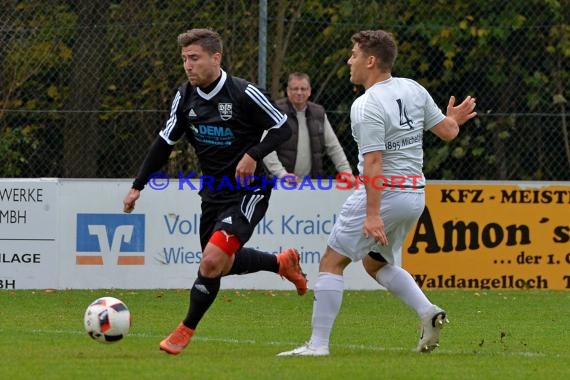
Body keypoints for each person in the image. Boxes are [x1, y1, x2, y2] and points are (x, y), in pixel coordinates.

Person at [278, 30, 476, 356]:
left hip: (385, 195)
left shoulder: (366, 104)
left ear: (370, 61)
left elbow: (373, 162)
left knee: (331, 262)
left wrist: (371, 214)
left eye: (354, 54)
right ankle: (428, 313)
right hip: (414, 196)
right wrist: (453, 118)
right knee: (375, 264)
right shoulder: (412, 88)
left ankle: (317, 345)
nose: (349, 60)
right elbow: (447, 131)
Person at [122, 28, 308, 355]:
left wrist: (253, 155)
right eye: (184, 59)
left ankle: (183, 331)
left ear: (216, 57)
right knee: (218, 264)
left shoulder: (243, 92)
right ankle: (281, 263)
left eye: (194, 58)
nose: (188, 66)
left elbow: (283, 126)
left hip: (249, 190)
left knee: (210, 262)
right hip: (212, 193)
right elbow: (165, 143)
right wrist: (138, 185)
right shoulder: (185, 96)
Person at [263, 72, 352, 182]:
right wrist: (282, 174)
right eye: (295, 89)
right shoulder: (276, 112)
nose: (299, 92)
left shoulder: (318, 113)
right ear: (288, 91)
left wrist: (346, 172)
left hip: (311, 184)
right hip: (279, 183)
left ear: (309, 91)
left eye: (303, 89)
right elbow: (266, 148)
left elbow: (333, 146)